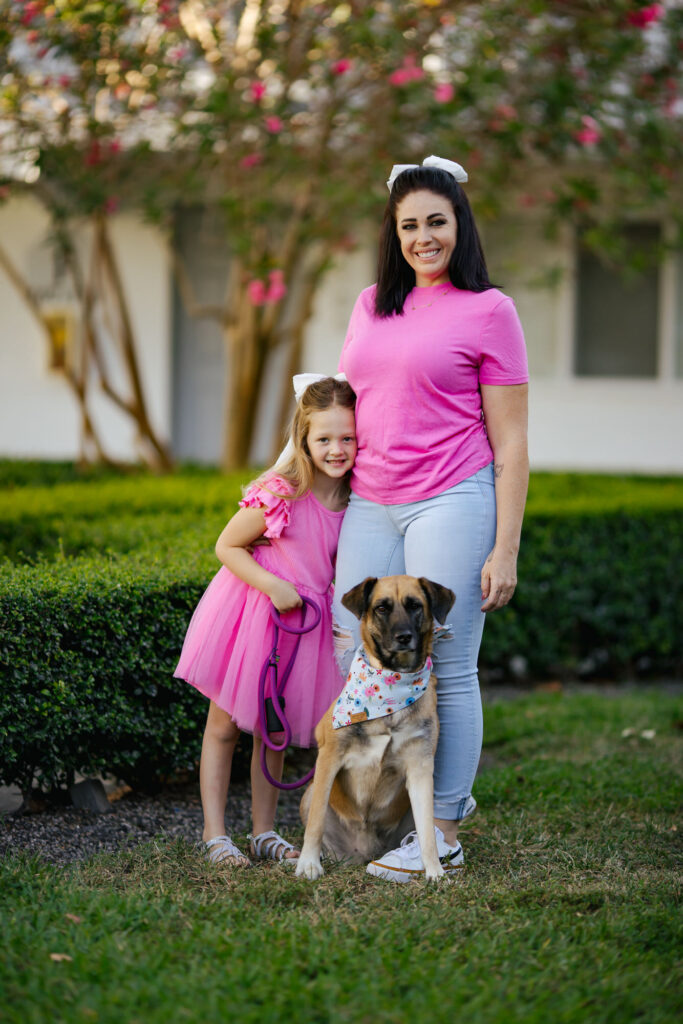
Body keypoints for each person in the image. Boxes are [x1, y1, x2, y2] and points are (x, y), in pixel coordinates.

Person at [332, 155, 529, 882]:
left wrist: (503, 548)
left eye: (435, 222)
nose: (423, 237)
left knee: (446, 658)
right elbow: (345, 406)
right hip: (372, 498)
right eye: (409, 224)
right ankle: (379, 807)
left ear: (458, 226)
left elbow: (510, 439)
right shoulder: (368, 304)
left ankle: (441, 825)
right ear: (394, 231)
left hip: (452, 495)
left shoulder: (489, 311)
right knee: (345, 639)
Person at [175, 376, 357, 867]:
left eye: (347, 438)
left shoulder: (356, 502)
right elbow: (226, 545)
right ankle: (215, 833)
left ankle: (263, 831)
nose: (337, 449)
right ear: (303, 439)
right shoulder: (283, 492)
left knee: (272, 728)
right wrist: (274, 586)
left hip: (306, 626)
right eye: (324, 439)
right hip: (255, 613)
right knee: (224, 725)